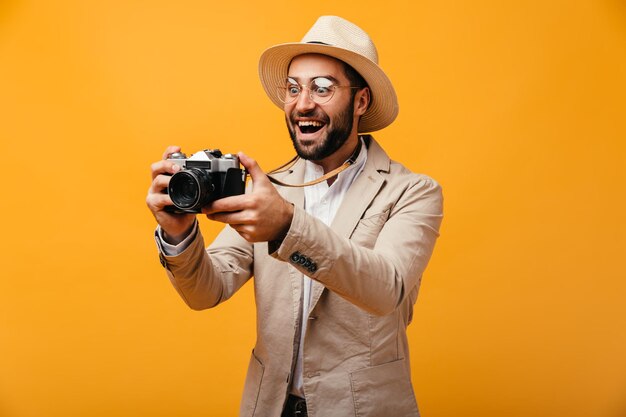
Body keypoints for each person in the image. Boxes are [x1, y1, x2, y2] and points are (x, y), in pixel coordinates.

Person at [146, 15, 443, 417]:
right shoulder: (270, 189)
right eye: (293, 88)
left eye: (322, 88)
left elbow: (386, 289)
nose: (303, 103)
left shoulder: (412, 191)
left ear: (361, 101)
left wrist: (286, 226)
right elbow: (206, 291)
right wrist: (179, 234)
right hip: (270, 406)